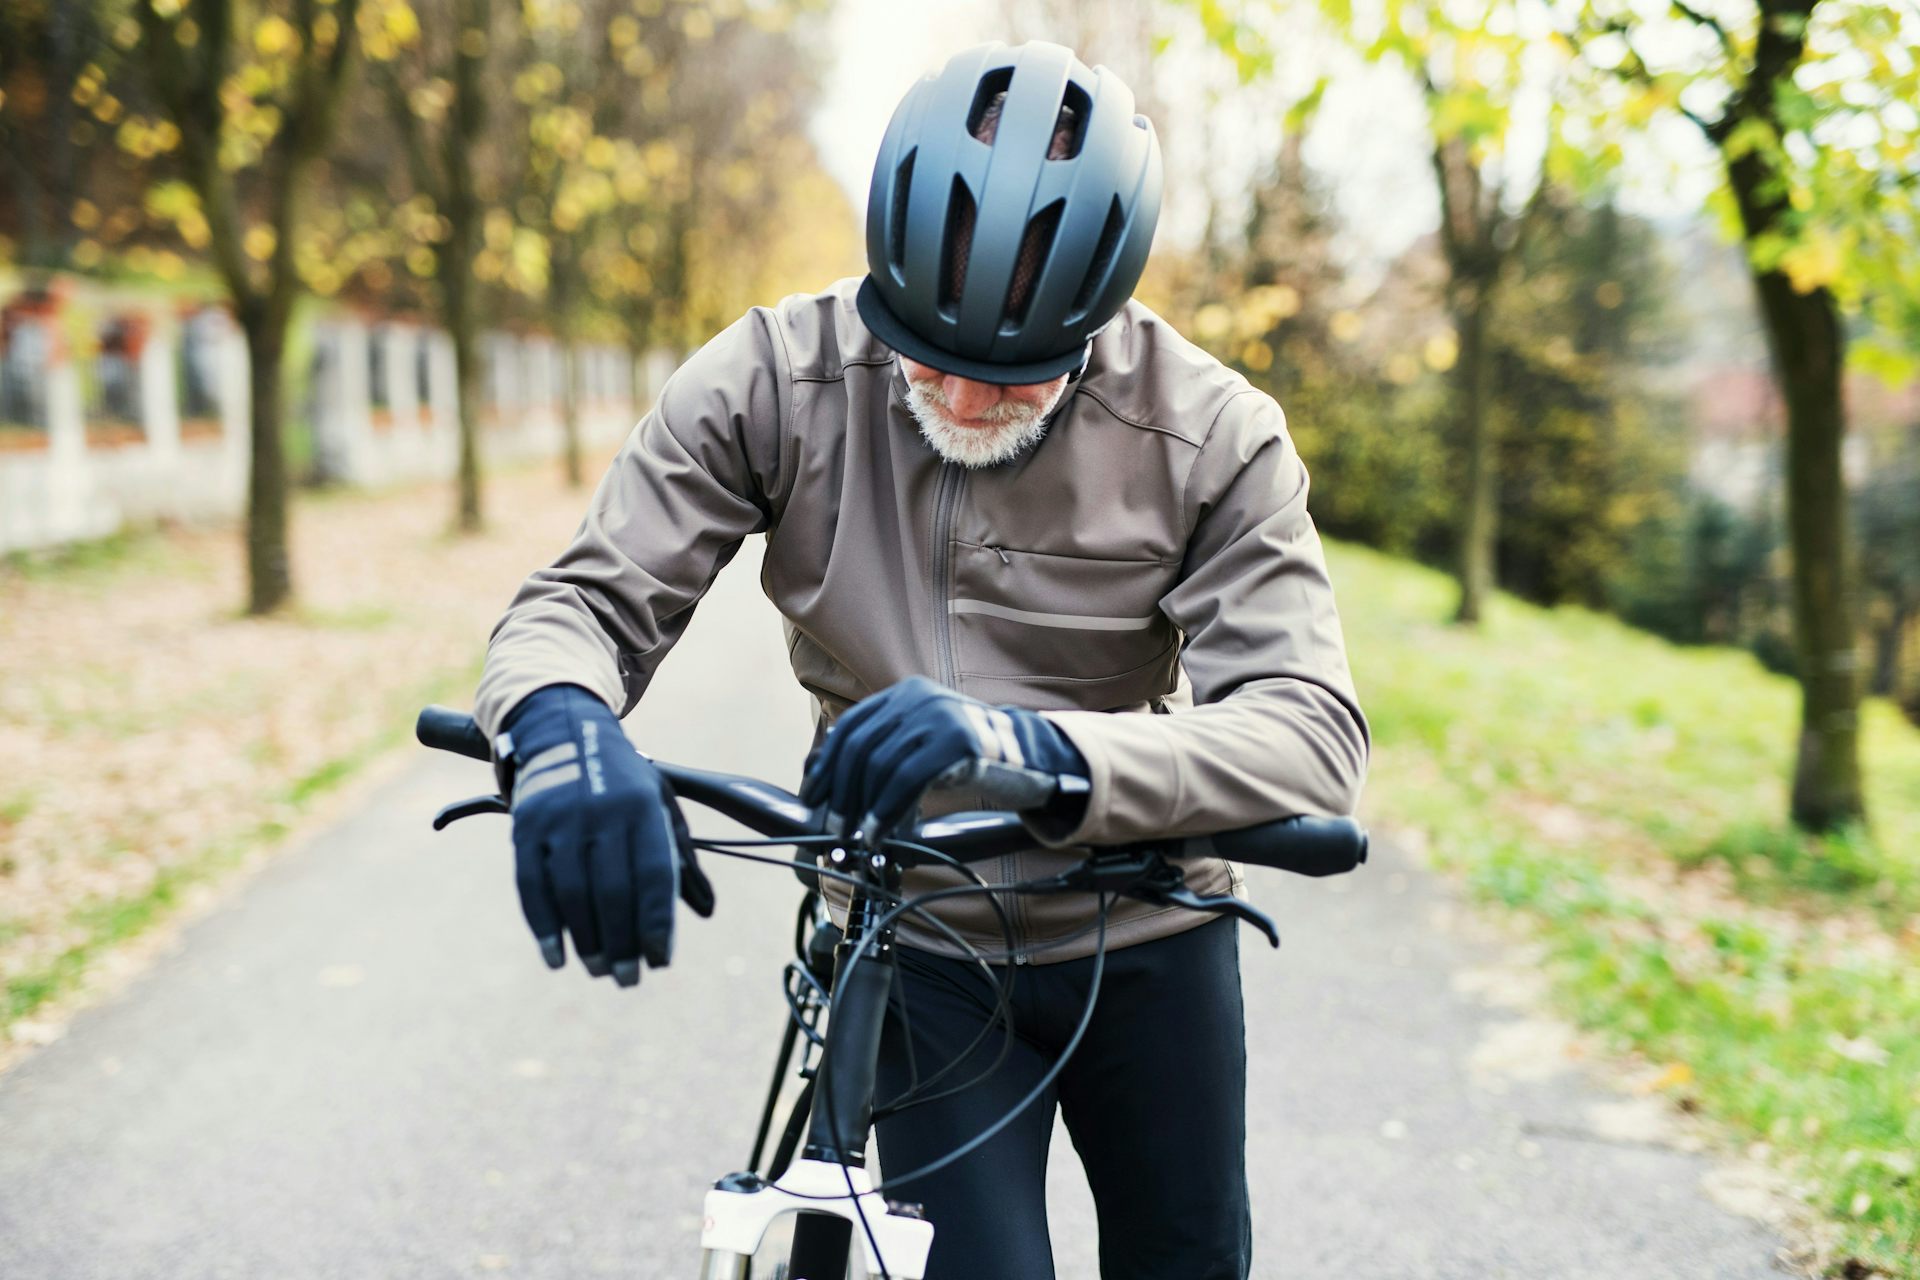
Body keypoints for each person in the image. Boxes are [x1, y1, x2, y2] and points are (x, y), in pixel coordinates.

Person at [474, 39, 1368, 1280]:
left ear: (1102, 313)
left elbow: (1311, 731)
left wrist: (1033, 751)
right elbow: (582, 600)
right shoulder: (772, 376)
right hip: (920, 942)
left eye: (1020, 372)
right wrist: (562, 725)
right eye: (930, 350)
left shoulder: (1213, 432)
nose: (967, 395)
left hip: (1149, 930)